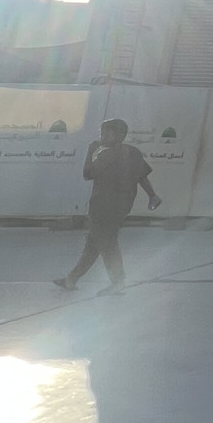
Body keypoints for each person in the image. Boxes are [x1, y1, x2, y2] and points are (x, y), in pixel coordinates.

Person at [54, 117, 162, 293]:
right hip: (122, 205)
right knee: (94, 243)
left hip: (103, 206)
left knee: (107, 244)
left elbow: (87, 173)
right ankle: (71, 279)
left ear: (120, 135)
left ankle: (117, 282)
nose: (102, 137)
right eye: (101, 134)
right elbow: (141, 176)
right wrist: (152, 195)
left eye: (106, 134)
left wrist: (91, 151)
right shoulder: (133, 152)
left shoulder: (106, 155)